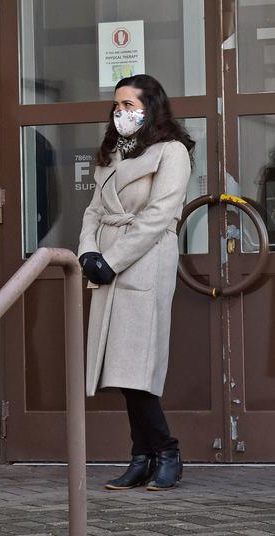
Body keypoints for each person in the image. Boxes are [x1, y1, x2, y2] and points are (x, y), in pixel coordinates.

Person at [78, 74, 193, 491]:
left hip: (145, 261)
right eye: (117, 106)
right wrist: (88, 253)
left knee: (137, 367)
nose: (121, 113)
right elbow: (93, 210)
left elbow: (160, 215)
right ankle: (141, 456)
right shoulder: (113, 153)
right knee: (122, 369)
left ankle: (166, 451)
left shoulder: (172, 151)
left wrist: (112, 259)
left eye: (129, 105)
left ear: (151, 107)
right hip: (108, 262)